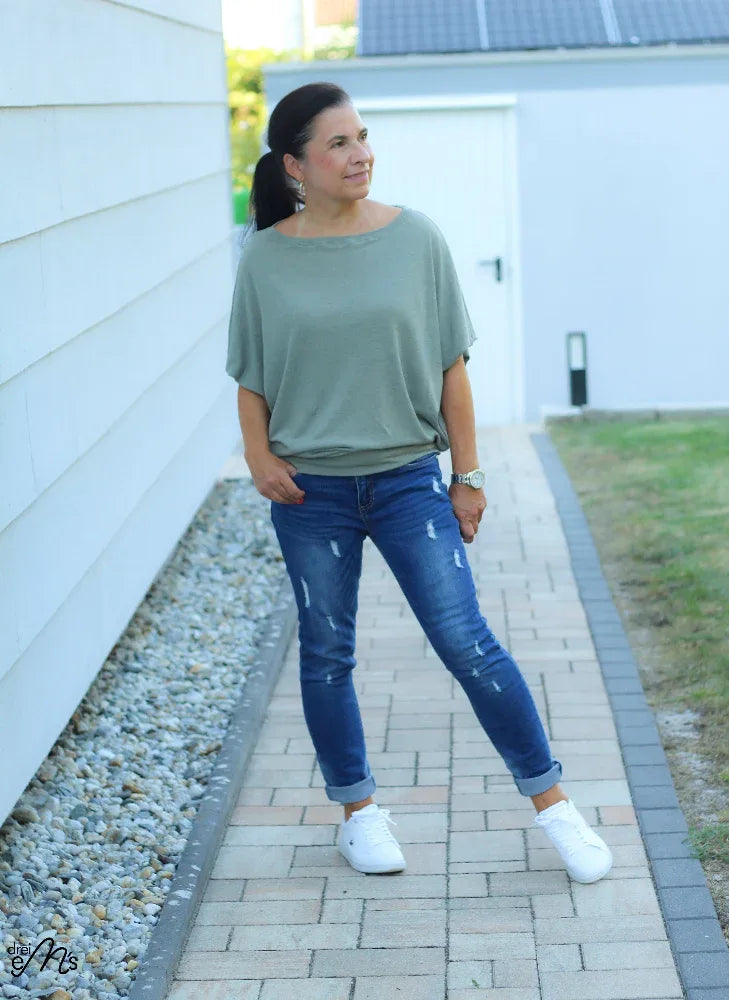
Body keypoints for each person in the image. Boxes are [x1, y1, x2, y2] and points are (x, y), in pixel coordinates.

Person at [225, 82, 613, 885]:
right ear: (295, 164)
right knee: (326, 654)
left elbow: (450, 371)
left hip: (407, 481)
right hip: (311, 494)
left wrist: (466, 475)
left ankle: (554, 807)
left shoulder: (415, 238)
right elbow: (251, 378)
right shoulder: (265, 256)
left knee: (466, 642)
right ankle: (358, 813)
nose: (359, 154)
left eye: (362, 136)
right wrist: (258, 458)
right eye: (338, 143)